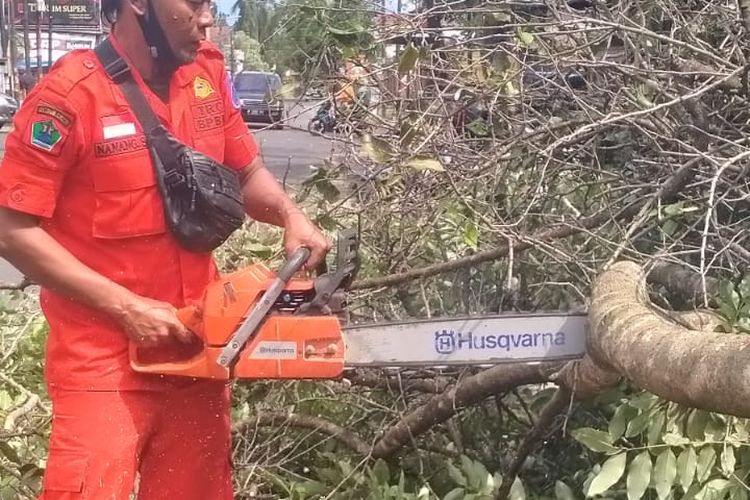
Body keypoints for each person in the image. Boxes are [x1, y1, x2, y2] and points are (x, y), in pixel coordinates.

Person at [0, 0, 330, 496]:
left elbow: (247, 171)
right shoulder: (69, 96)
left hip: (196, 350)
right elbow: (11, 227)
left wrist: (291, 215)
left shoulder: (206, 74)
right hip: (104, 363)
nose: (207, 19)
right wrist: (125, 307)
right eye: (194, 3)